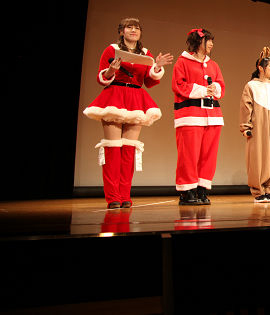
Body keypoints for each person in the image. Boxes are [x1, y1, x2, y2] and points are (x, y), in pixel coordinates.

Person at [83, 17, 173, 209]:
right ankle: (112, 196)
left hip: (135, 98)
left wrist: (157, 66)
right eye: (129, 27)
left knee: (129, 149)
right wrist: (110, 70)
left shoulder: (145, 53)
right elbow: (101, 77)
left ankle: (125, 195)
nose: (133, 30)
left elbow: (149, 81)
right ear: (121, 31)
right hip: (115, 96)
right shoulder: (111, 49)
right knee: (113, 148)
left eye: (137, 28)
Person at [172, 28, 225, 205]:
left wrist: (215, 88)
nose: (211, 44)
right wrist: (203, 90)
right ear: (198, 42)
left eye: (212, 41)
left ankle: (202, 189)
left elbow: (221, 86)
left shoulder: (214, 65)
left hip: (213, 116)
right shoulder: (182, 62)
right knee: (188, 155)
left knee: (209, 155)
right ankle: (187, 191)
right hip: (190, 115)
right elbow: (178, 85)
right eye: (208, 40)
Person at [239, 47, 270, 203]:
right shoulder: (251, 86)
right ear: (260, 68)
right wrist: (245, 127)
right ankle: (258, 191)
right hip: (258, 125)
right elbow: (246, 107)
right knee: (258, 157)